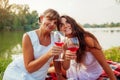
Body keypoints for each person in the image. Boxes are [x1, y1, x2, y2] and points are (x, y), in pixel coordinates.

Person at [3, 9, 62, 80]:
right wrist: (48, 54)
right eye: (49, 19)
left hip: (39, 76)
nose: (52, 24)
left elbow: (56, 60)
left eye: (55, 23)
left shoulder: (56, 37)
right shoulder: (28, 36)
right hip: (18, 73)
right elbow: (29, 68)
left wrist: (59, 77)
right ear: (41, 18)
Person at [56, 15, 117, 80]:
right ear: (59, 30)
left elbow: (104, 64)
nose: (65, 26)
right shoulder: (66, 42)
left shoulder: (87, 40)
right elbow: (65, 67)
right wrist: (66, 55)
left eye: (67, 22)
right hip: (77, 69)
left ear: (73, 23)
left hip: (90, 74)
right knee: (58, 65)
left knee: (57, 68)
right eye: (61, 25)